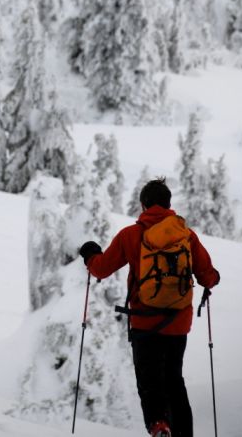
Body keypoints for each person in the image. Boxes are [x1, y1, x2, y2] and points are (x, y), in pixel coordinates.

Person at [79, 177, 220, 437]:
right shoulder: (186, 236)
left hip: (144, 323)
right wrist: (214, 278)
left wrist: (90, 253)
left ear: (143, 205)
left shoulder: (131, 235)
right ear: (168, 205)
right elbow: (207, 275)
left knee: (150, 381)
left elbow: (101, 268)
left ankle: (159, 426)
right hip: (178, 324)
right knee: (174, 380)